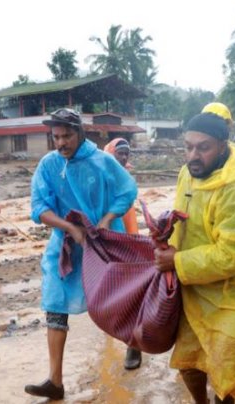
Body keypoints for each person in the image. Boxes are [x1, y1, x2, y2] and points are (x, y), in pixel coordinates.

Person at [154, 113, 235, 403]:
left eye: (203, 147)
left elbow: (232, 256)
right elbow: (182, 220)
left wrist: (177, 262)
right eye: (188, 147)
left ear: (222, 147)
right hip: (193, 289)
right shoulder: (188, 173)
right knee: (189, 361)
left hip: (233, 295)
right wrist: (164, 239)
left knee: (226, 371)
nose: (193, 155)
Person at [25, 108, 138, 400]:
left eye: (67, 136)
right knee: (55, 302)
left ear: (80, 133)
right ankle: (55, 380)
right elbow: (39, 207)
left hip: (104, 242)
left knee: (116, 298)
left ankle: (133, 342)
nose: (61, 143)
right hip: (66, 246)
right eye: (56, 137)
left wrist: (103, 221)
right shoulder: (49, 165)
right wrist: (69, 229)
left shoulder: (102, 161)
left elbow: (127, 191)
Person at [103, 137, 142, 369]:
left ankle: (133, 345)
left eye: (127, 153)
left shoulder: (127, 177)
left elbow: (129, 211)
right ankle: (111, 338)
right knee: (109, 292)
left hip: (128, 236)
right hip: (107, 238)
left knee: (129, 293)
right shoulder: (100, 175)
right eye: (120, 152)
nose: (124, 157)